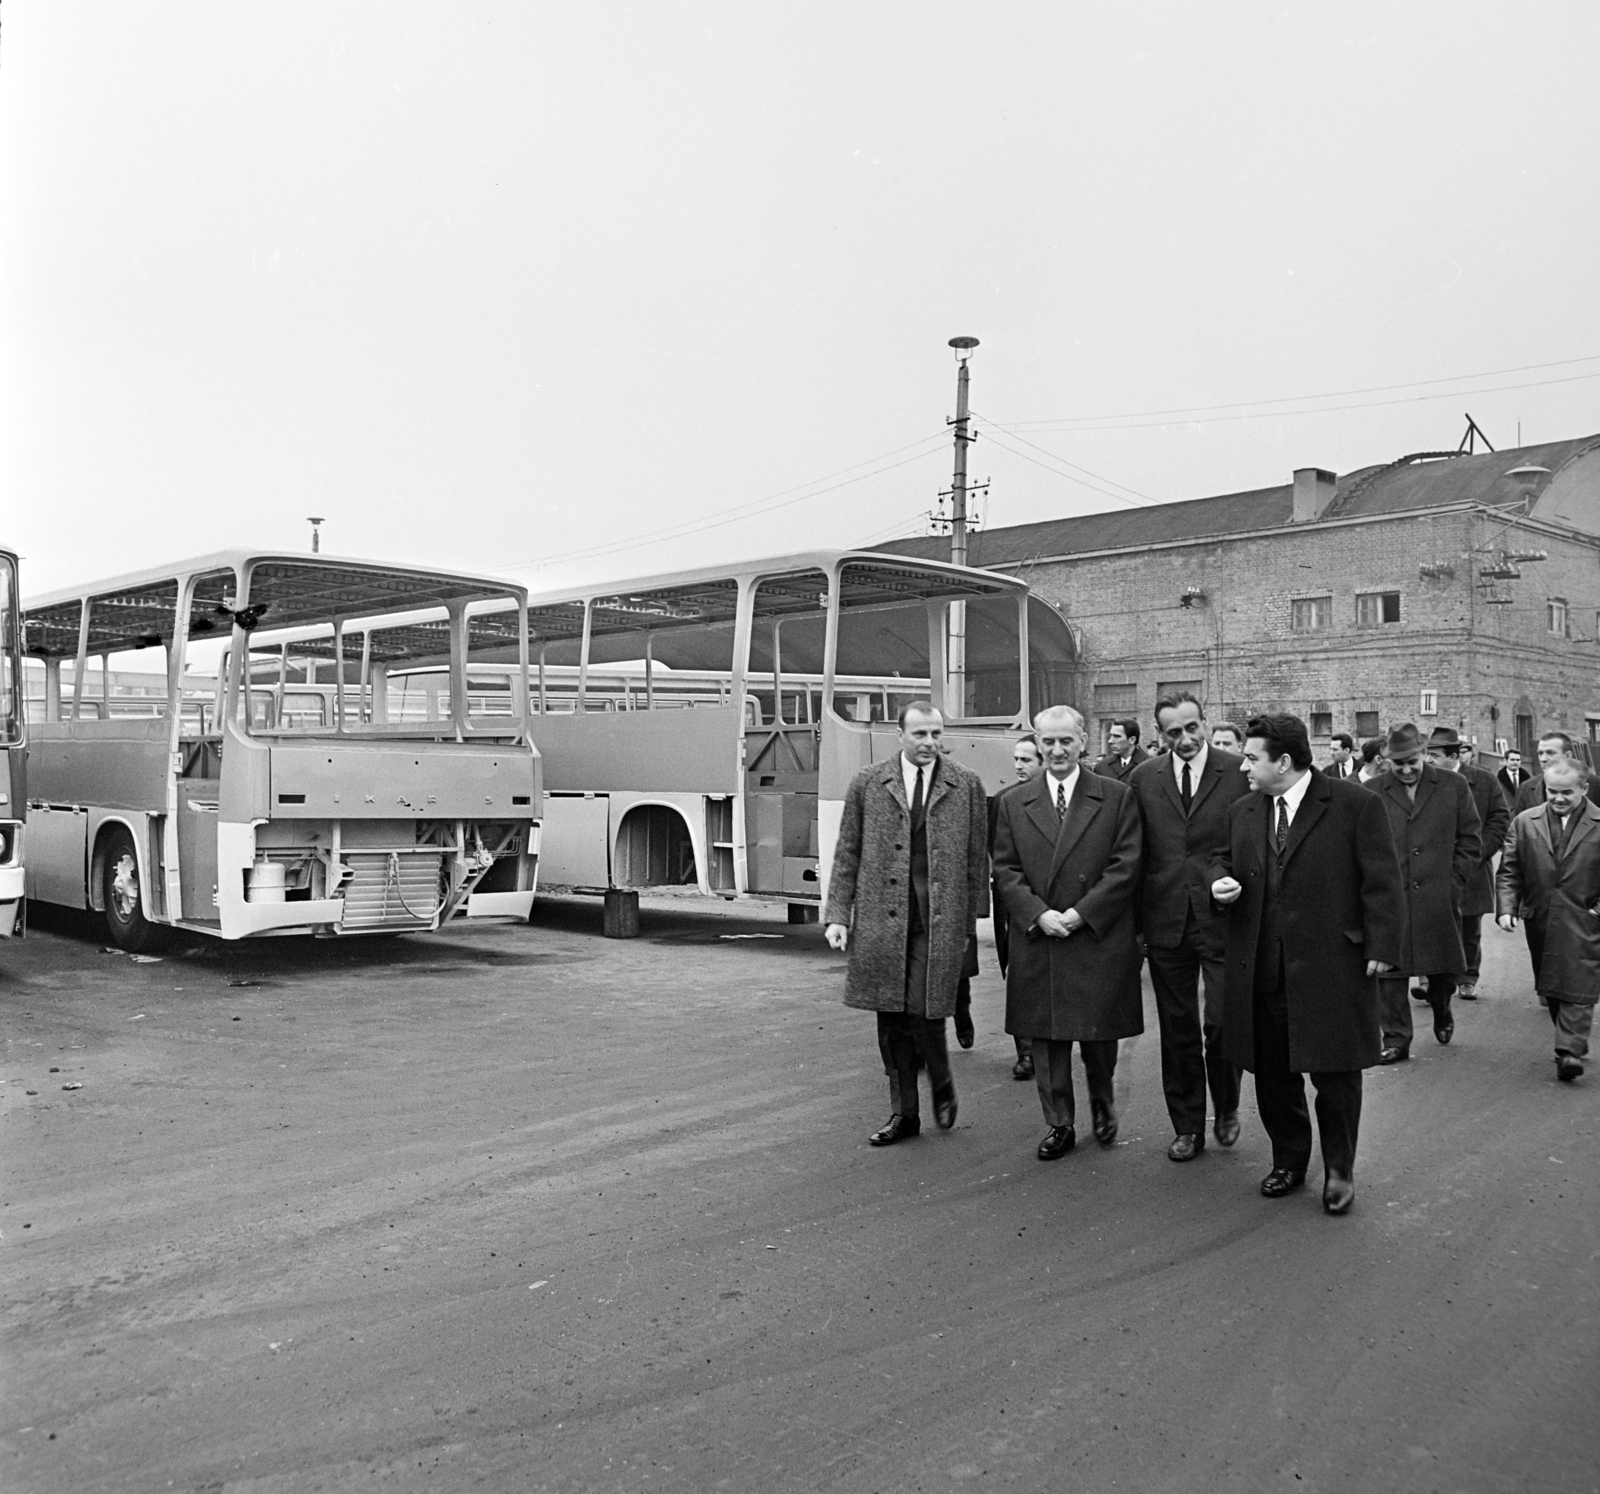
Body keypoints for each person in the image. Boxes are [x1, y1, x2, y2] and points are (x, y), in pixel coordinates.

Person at [1210, 714, 1403, 1215]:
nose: (1243, 767)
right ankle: (1289, 1161)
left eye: (1252, 758)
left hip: (1331, 964)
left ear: (1286, 762)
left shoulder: (1355, 805)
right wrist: (1219, 884)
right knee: (1273, 1075)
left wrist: (1382, 946)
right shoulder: (1243, 811)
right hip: (1263, 969)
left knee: (1335, 1076)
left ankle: (1339, 1169)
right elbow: (1220, 861)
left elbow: (1381, 881)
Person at [825, 701, 990, 1146]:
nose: (929, 743)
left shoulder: (966, 785)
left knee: (923, 1008)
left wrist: (974, 917)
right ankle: (904, 1114)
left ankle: (940, 1079)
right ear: (900, 735)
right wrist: (838, 914)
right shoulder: (869, 783)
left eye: (936, 734)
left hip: (938, 919)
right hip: (883, 917)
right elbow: (847, 852)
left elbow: (977, 855)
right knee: (891, 1018)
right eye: (920, 734)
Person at [993, 704, 1144, 1161]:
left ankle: (1103, 1101)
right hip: (1040, 935)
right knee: (1046, 1037)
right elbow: (1005, 869)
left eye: (1066, 741)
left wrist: (1080, 914)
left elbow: (1126, 866)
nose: (1057, 750)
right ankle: (1059, 1122)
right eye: (1048, 742)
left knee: (1098, 1035)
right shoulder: (1013, 802)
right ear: (1037, 744)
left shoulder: (1116, 797)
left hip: (1094, 933)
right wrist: (1038, 914)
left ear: (1083, 742)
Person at [1130, 690, 1248, 1162]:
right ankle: (1186, 1126)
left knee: (1221, 1022)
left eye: (1191, 728)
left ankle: (1227, 1106)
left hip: (1223, 919)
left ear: (1205, 722)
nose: (1185, 739)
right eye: (1173, 732)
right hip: (1166, 922)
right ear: (1160, 734)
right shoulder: (1143, 778)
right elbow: (1135, 851)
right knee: (1177, 1029)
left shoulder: (1238, 773)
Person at [1366, 723, 1481, 1062]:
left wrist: (1454, 882)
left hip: (1438, 895)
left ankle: (1442, 1008)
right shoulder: (1373, 790)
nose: (1404, 769)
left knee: (1443, 969)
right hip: (1392, 896)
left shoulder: (1453, 785)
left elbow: (1470, 838)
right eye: (1397, 763)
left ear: (1424, 754)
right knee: (1390, 970)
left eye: (1411, 762)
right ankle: (1397, 1039)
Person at [1497, 760, 1600, 1082]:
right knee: (1553, 986)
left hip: (1586, 918)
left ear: (1584, 789)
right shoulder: (1525, 822)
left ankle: (1568, 1051)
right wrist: (1506, 908)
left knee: (1578, 981)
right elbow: (1510, 870)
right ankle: (1570, 1039)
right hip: (1540, 918)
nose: (1558, 798)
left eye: (1566, 792)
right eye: (1552, 791)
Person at [1422, 726, 1508, 1001]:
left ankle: (1467, 977)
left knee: (1469, 927)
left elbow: (1499, 819)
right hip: (1431, 868)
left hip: (1471, 868)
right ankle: (1429, 979)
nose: (1428, 760)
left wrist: (1477, 853)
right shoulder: (1422, 782)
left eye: (1434, 755)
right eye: (1426, 754)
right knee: (1431, 925)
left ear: (1454, 755)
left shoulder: (1484, 781)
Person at [986, 734, 1044, 1080]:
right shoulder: (1005, 800)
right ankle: (1026, 1052)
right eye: (1017, 759)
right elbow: (998, 853)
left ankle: (1048, 1045)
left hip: (1049, 903)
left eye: (1027, 760)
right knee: (1017, 975)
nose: (1019, 766)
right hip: (1011, 900)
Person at [1513, 732, 1600, 814]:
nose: (1543, 759)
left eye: (1550, 753)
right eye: (1540, 753)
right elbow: (1517, 825)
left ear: (1567, 756)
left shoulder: (1595, 785)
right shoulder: (1526, 788)